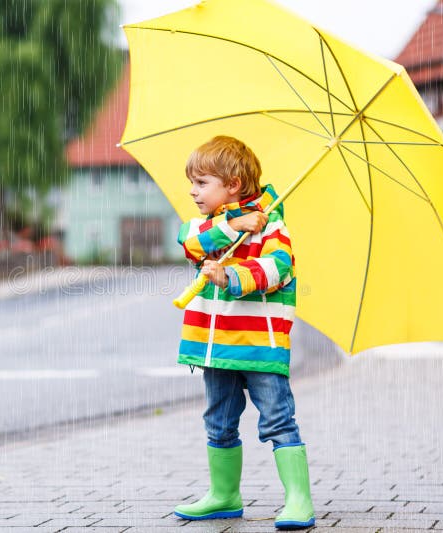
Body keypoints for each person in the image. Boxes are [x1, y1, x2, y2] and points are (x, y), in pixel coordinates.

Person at [173, 136, 315, 530]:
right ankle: (224, 495)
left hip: (258, 346)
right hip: (214, 347)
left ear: (232, 184)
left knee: (277, 419)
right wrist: (234, 224)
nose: (192, 190)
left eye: (202, 183)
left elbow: (277, 270)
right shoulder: (205, 225)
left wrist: (232, 275)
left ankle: (299, 499)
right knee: (218, 420)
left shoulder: (273, 228)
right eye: (193, 183)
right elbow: (191, 243)